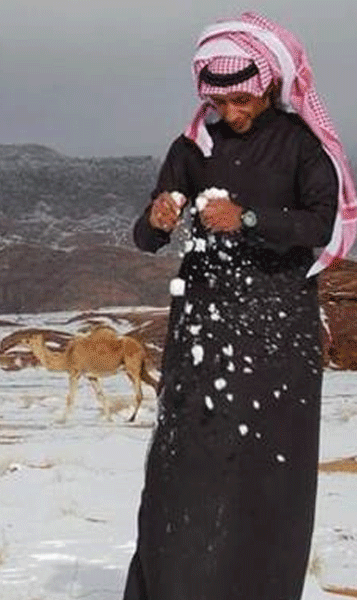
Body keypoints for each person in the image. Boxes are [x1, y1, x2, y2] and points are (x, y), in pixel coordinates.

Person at [126, 12, 356, 600]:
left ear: (270, 84)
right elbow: (147, 236)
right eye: (220, 101)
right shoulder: (192, 145)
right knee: (184, 468)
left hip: (277, 327)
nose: (230, 113)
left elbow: (319, 223)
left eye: (241, 101)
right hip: (201, 325)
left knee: (264, 470)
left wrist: (248, 219)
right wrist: (157, 219)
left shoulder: (302, 146)